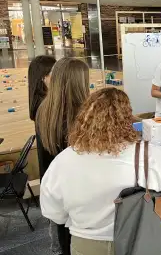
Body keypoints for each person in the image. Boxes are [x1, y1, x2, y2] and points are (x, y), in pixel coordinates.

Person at [40, 88, 161, 255]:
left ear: (84, 117)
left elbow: (54, 213)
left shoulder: (64, 159)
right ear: (127, 117)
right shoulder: (154, 155)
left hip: (86, 244)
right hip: (142, 241)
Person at [36, 57, 90, 255]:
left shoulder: (45, 109)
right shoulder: (82, 114)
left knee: (64, 237)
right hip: (80, 193)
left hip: (56, 190)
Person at [27, 55, 58, 254]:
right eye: (54, 73)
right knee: (56, 218)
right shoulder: (45, 105)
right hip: (52, 166)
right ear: (43, 77)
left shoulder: (44, 101)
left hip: (51, 165)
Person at [28, 55, 56, 121]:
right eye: (55, 72)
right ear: (43, 77)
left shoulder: (39, 101)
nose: (59, 75)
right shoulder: (46, 106)